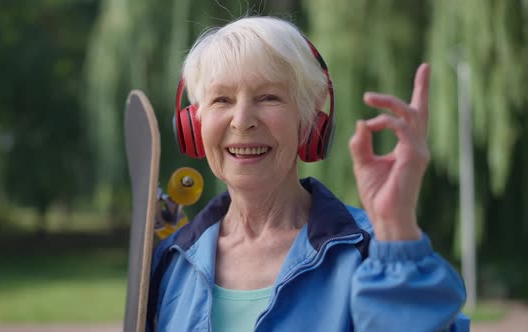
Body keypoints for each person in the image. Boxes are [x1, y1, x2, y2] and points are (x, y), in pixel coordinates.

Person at [147, 16, 470, 331]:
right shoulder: (171, 261)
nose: (242, 120)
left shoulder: (375, 251)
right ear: (195, 124)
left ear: (309, 123)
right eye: (222, 100)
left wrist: (397, 229)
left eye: (268, 97)